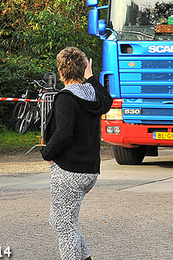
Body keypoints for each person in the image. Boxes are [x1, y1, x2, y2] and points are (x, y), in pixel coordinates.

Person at [42, 47, 113, 260]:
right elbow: (107, 100)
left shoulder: (66, 97)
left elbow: (63, 135)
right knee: (58, 222)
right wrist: (91, 78)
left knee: (65, 229)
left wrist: (47, 153)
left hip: (69, 171)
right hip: (88, 170)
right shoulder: (93, 95)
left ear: (61, 73)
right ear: (83, 70)